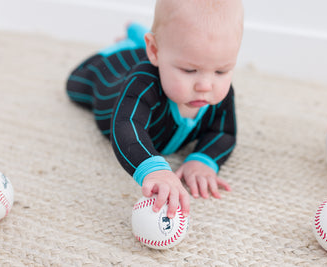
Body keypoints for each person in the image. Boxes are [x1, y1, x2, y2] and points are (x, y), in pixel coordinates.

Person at [66, 0, 244, 218]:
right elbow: (127, 125)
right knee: (74, 85)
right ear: (155, 51)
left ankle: (145, 42)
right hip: (113, 73)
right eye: (189, 70)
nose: (206, 86)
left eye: (221, 71)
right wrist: (154, 170)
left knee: (178, 57)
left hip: (158, 53)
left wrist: (204, 159)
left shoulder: (220, 94)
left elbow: (224, 132)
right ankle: (131, 45)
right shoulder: (143, 84)